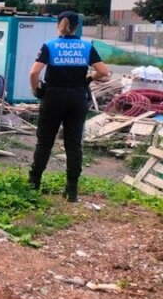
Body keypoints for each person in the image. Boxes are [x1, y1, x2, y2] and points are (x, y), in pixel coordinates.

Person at [28, 11, 110, 201]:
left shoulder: (50, 45)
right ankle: (71, 190)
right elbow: (104, 72)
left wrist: (36, 91)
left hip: (53, 97)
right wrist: (88, 78)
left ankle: (34, 183)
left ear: (59, 25)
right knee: (73, 145)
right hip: (77, 97)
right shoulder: (86, 46)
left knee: (45, 142)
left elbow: (34, 73)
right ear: (77, 26)